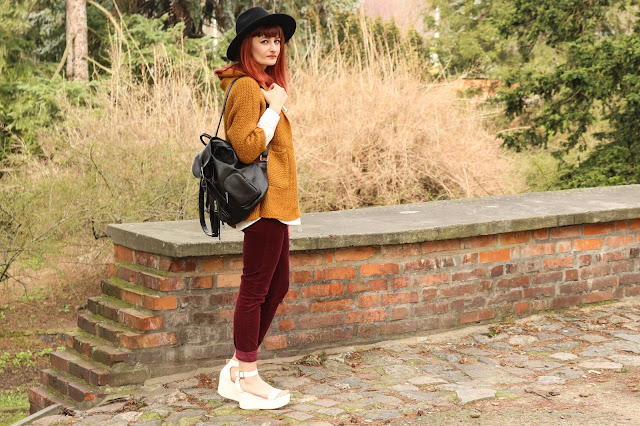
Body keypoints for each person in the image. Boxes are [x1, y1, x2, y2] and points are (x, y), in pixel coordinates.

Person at [212, 7, 301, 411]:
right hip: (262, 204)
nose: (273, 46)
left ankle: (237, 366)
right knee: (255, 289)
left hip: (275, 204)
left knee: (277, 287)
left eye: (276, 39)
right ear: (246, 45)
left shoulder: (262, 85)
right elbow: (247, 147)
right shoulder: (248, 88)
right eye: (263, 39)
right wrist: (274, 107)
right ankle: (247, 376)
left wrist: (273, 101)